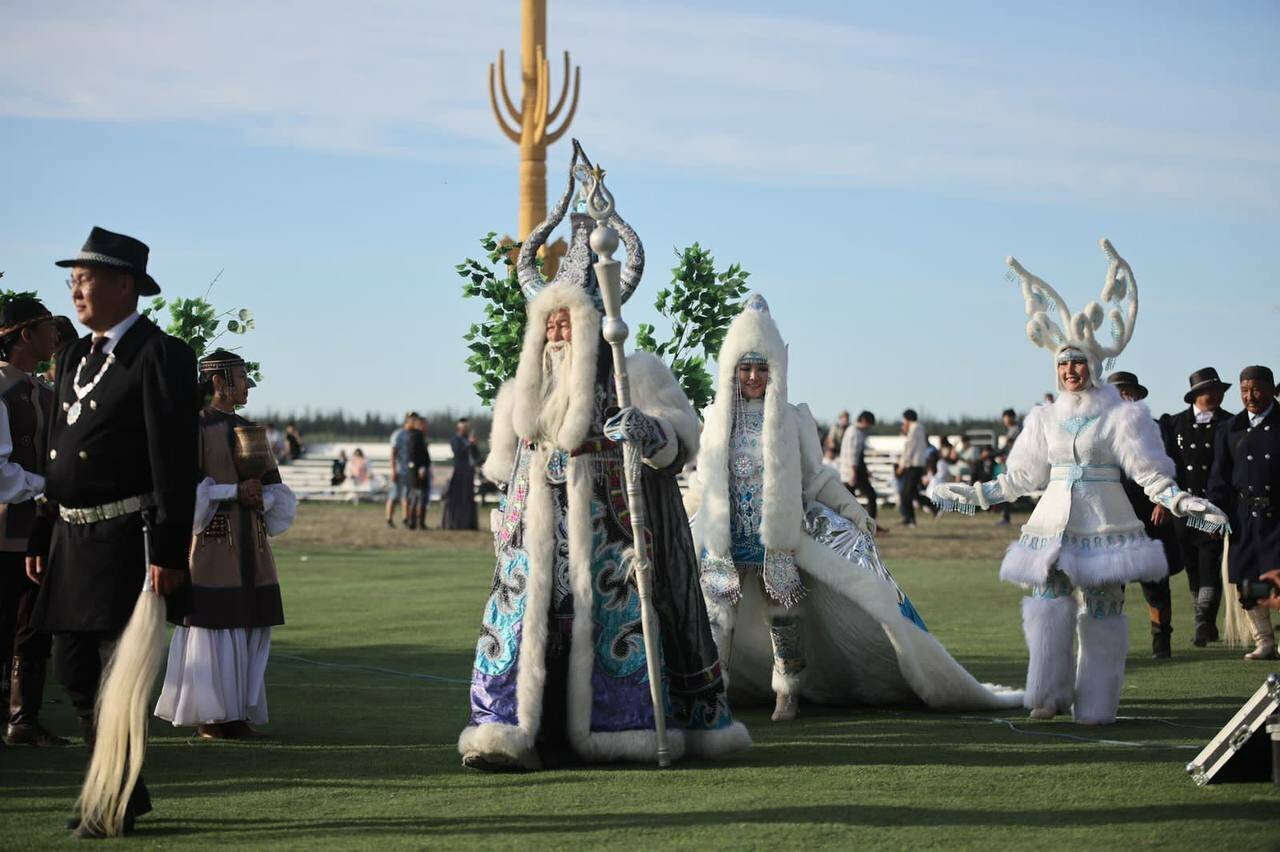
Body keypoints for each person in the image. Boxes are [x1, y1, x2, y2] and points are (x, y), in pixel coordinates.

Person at [459, 160, 749, 770]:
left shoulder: (632, 370)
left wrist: (647, 429)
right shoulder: (526, 386)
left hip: (613, 525)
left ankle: (625, 729)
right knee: (530, 623)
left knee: (614, 617)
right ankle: (514, 734)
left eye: (569, 319)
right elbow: (503, 463)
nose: (559, 329)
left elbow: (680, 438)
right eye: (550, 320)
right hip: (536, 525)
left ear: (594, 322)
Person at [689, 295, 1021, 722]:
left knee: (784, 619)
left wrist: (851, 508)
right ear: (732, 368)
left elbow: (817, 477)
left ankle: (786, 692)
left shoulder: (793, 418)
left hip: (778, 536)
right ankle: (714, 694)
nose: (753, 376)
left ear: (776, 369)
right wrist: (680, 519)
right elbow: (702, 482)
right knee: (716, 619)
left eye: (762, 367)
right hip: (725, 536)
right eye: (746, 367)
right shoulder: (716, 417)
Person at [933, 240, 1226, 724]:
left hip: (1105, 522)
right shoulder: (1043, 418)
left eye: (1078, 362)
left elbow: (1149, 471)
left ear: (1095, 365)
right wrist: (974, 494)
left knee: (1104, 609)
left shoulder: (1122, 416)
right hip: (1052, 525)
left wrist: (1179, 500)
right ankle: (1046, 697)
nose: (1070, 370)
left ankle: (1096, 704)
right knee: (1048, 602)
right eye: (1063, 364)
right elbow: (1022, 477)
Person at [27, 227, 198, 836]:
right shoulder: (73, 355)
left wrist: (171, 550)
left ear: (125, 285)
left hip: (130, 539)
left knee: (113, 673)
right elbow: (55, 453)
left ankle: (113, 797)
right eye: (72, 279)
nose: (75, 289)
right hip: (70, 540)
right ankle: (122, 787)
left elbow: (173, 461)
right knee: (73, 671)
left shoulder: (160, 354)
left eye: (86, 278)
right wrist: (40, 536)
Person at [155, 350, 296, 738]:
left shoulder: (251, 430)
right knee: (214, 628)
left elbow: (277, 494)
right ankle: (212, 714)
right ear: (218, 381)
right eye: (241, 376)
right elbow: (181, 493)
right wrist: (234, 490)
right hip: (213, 545)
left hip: (252, 542)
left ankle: (236, 711)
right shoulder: (192, 429)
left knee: (248, 624)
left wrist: (259, 497)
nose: (248, 384)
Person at [0, 295, 69, 747]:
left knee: (35, 629)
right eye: (47, 327)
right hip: (5, 533)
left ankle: (25, 719)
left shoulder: (45, 391)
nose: (55, 336)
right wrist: (47, 485)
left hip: (42, 533)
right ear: (25, 334)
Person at [1107, 372, 1182, 658]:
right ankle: (1112, 647)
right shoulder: (1101, 432)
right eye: (1118, 392)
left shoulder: (1156, 429)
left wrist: (1165, 503)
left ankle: (1161, 643)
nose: (1124, 397)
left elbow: (1174, 467)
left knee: (1156, 584)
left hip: (1152, 515)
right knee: (1113, 584)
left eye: (1128, 392)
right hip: (1115, 517)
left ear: (1138, 396)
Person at [1208, 365, 1280, 660]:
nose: (1250, 396)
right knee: (1247, 578)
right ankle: (1264, 640)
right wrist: (1212, 517)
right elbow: (1219, 478)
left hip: (1277, 515)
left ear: (1271, 389)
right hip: (1243, 515)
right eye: (1244, 390)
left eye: (1257, 389)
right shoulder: (1230, 428)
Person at [1160, 367, 1234, 647]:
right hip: (1183, 506)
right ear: (1196, 395)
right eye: (1209, 391)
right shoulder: (1174, 424)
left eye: (1218, 391)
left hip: (1212, 507)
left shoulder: (1230, 423)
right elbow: (1167, 464)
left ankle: (1203, 621)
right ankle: (1203, 618)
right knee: (1192, 562)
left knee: (1209, 559)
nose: (1215, 395)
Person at [839, 411, 881, 524]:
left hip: (854, 469)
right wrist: (853, 472)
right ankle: (870, 524)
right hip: (854, 470)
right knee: (870, 495)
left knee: (849, 499)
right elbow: (852, 453)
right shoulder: (855, 433)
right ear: (864, 421)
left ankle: (849, 523)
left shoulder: (855, 431)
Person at [441, 418, 479, 530]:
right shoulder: (455, 440)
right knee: (458, 497)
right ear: (459, 428)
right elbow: (458, 454)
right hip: (460, 472)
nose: (466, 430)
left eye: (467, 428)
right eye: (464, 428)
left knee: (468, 497)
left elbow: (476, 455)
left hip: (470, 472)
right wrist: (468, 444)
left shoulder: (469, 440)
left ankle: (468, 523)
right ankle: (456, 523)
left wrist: (474, 445)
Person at [896, 409, 928, 527]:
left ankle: (909, 518)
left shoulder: (914, 429)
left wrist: (902, 465)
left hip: (913, 465)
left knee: (906, 493)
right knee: (912, 492)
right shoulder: (919, 428)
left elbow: (909, 448)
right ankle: (910, 518)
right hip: (917, 465)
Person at [385, 412, 415, 529]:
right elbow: (393, 454)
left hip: (409, 471)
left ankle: (405, 519)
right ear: (407, 421)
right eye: (412, 420)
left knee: (406, 496)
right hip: (398, 470)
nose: (414, 422)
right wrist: (393, 470)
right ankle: (389, 519)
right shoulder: (398, 434)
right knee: (394, 496)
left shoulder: (412, 435)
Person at [993, 409, 1022, 526]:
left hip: (1016, 464)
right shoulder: (1013, 429)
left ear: (1010, 417)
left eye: (1005, 418)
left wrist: (989, 455)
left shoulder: (1016, 430)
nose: (1004, 421)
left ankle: (1006, 517)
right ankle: (1006, 516)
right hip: (1011, 463)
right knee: (1008, 489)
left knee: (1010, 489)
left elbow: (1006, 447)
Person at [407, 415, 431, 530]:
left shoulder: (420, 436)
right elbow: (413, 455)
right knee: (417, 497)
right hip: (417, 471)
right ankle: (415, 522)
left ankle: (418, 522)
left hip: (420, 470)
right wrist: (420, 468)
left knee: (419, 497)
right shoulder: (415, 436)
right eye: (425, 424)